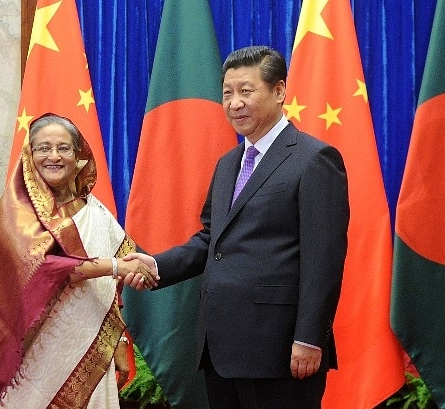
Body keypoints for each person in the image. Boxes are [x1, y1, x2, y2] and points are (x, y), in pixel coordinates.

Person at [124, 45, 350, 409]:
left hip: (280, 349)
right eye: (227, 93)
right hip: (220, 348)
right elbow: (212, 240)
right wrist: (156, 265)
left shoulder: (315, 159)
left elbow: (323, 260)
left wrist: (310, 338)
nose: (234, 103)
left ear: (279, 91)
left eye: (246, 91)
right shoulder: (229, 163)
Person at [0, 113, 158, 408]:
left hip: (93, 350)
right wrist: (116, 266)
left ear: (78, 154)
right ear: (29, 156)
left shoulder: (94, 210)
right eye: (43, 148)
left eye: (63, 148)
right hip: (34, 358)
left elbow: (116, 285)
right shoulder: (16, 213)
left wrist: (119, 341)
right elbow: (45, 268)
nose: (53, 156)